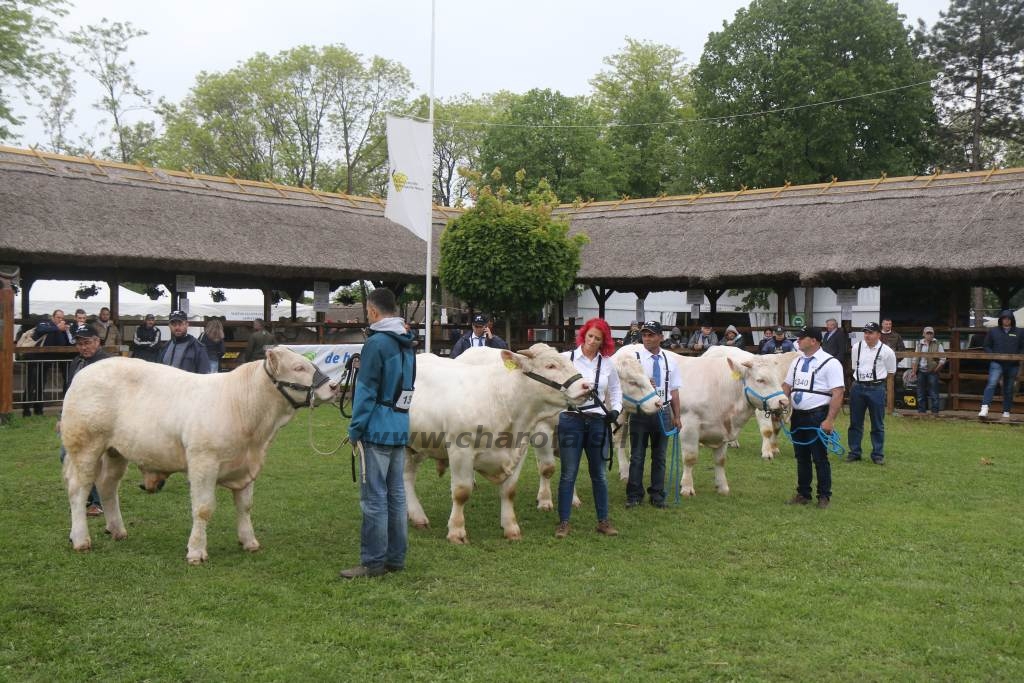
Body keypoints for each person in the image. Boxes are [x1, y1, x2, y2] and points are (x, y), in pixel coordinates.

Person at [340, 288, 416, 579]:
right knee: (396, 495)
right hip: (400, 424)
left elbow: (366, 390)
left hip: (377, 428)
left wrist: (355, 428)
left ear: (372, 311)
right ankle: (396, 558)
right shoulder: (408, 342)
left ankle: (373, 562)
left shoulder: (376, 343)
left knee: (374, 498)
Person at [555, 318, 622, 539]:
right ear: (583, 335)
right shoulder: (567, 359)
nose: (592, 341)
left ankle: (603, 521)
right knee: (568, 474)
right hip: (571, 419)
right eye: (590, 336)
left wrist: (616, 410)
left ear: (604, 341)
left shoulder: (608, 363)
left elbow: (615, 390)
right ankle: (563, 522)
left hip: (597, 422)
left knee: (599, 474)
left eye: (598, 338)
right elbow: (555, 386)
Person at [782, 326, 845, 508]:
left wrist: (829, 420)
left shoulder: (831, 363)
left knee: (819, 457)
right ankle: (803, 493)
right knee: (801, 456)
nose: (798, 341)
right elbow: (787, 385)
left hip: (817, 415)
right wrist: (780, 403)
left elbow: (838, 393)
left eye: (802, 338)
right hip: (798, 415)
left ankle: (824, 496)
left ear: (814, 341)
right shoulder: (797, 362)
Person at [626, 321, 682, 509]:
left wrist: (677, 415)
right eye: (645, 335)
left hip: (663, 410)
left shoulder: (670, 360)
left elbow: (674, 390)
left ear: (661, 337)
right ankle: (634, 495)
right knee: (637, 455)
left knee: (659, 456)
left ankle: (657, 495)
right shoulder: (634, 358)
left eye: (651, 335)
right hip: (641, 411)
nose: (647, 338)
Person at [58, 323, 113, 516]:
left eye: (87, 342)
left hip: (97, 421)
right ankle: (87, 497)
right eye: (80, 343)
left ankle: (96, 502)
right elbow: (69, 394)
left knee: (92, 460)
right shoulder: (77, 362)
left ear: (97, 341)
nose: (83, 347)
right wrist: (62, 417)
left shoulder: (107, 365)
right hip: (76, 420)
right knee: (66, 456)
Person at [846, 322, 898, 465]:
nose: (867, 335)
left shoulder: (887, 351)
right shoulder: (857, 347)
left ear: (878, 334)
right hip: (858, 386)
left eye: (870, 332)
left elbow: (891, 372)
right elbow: (854, 366)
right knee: (855, 422)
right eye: (866, 332)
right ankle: (854, 452)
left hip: (876, 388)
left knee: (877, 423)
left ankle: (877, 454)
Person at [24, 309, 73, 417]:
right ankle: (26, 410)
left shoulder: (60, 330)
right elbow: (40, 329)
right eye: (58, 317)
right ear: (53, 317)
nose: (60, 320)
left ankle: (38, 410)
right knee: (31, 384)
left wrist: (65, 331)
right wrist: (57, 328)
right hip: (34, 359)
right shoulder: (45, 323)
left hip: (46, 361)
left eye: (62, 318)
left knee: (41, 385)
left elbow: (64, 343)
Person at [978, 309, 1023, 419]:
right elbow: (986, 345)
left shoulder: (1020, 332)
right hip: (996, 362)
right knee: (992, 383)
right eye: (1004, 318)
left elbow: (1023, 347)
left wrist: (1018, 356)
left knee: (1008, 388)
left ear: (1012, 320)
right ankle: (984, 408)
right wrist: (992, 355)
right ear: (1001, 320)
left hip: (1013, 364)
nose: (1006, 320)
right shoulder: (993, 331)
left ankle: (1006, 412)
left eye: (1008, 318)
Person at [909, 326, 945, 416]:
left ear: (933, 334)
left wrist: (936, 369)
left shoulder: (938, 344)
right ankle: (921, 412)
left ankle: (935, 412)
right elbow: (915, 358)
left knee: (934, 392)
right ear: (924, 334)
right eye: (927, 333)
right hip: (921, 371)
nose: (929, 335)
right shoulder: (919, 344)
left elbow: (943, 359)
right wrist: (914, 371)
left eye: (931, 333)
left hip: (932, 372)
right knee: (920, 392)